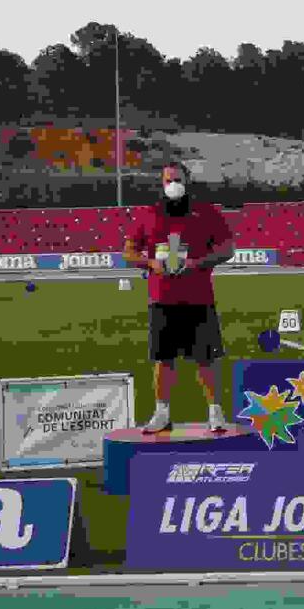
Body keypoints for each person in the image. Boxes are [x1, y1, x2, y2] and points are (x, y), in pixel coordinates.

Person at [125, 163, 235, 433]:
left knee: (207, 358)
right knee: (163, 359)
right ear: (160, 183)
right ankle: (162, 413)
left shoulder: (206, 213)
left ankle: (215, 413)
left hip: (198, 297)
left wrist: (199, 262)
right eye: (168, 179)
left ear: (187, 181)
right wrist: (150, 263)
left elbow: (227, 248)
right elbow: (128, 251)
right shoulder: (149, 215)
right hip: (162, 298)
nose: (172, 183)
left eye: (177, 178)